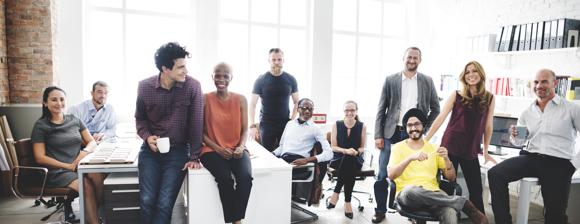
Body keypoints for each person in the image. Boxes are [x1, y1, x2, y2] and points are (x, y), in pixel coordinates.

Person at [488, 69, 580, 224]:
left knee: (555, 215)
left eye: (544, 81)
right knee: (495, 174)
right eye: (536, 82)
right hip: (531, 157)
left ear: (554, 83)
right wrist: (515, 137)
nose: (539, 85)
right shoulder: (527, 112)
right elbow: (520, 142)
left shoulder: (571, 109)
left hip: (559, 162)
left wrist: (573, 165)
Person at [135, 42, 204, 224]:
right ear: (165, 68)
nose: (185, 71)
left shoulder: (193, 87)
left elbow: (197, 124)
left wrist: (194, 156)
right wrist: (147, 137)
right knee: (147, 200)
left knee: (165, 203)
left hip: (179, 151)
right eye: (181, 67)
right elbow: (140, 119)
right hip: (150, 151)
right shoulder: (144, 87)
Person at [372, 46, 440, 223]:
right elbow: (381, 109)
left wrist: (424, 129)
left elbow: (436, 108)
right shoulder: (390, 80)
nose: (412, 60)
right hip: (392, 133)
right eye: (409, 57)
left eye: (415, 58)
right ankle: (380, 210)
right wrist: (378, 135)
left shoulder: (427, 81)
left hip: (415, 133)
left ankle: (413, 211)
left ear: (420, 60)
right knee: (383, 174)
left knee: (414, 171)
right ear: (403, 58)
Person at [388, 108, 488, 224]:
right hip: (408, 195)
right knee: (411, 191)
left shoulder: (434, 149)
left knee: (450, 211)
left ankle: (455, 203)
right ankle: (462, 203)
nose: (413, 128)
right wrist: (410, 158)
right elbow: (391, 175)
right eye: (409, 125)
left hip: (434, 193)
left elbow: (451, 178)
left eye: (416, 124)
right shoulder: (397, 148)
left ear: (423, 125)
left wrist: (446, 159)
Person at [424, 61, 496, 214]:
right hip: (451, 146)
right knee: (449, 188)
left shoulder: (489, 98)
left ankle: (480, 219)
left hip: (471, 149)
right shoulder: (456, 95)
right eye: (468, 72)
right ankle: (448, 218)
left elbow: (488, 126)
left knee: (476, 190)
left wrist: (486, 150)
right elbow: (441, 117)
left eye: (474, 71)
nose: (471, 75)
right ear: (464, 76)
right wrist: (426, 140)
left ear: (481, 74)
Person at [31, 86, 104, 224]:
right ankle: (94, 221)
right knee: (86, 185)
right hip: (57, 171)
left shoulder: (74, 119)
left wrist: (85, 152)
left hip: (78, 165)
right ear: (45, 103)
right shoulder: (41, 126)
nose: (59, 103)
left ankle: (95, 214)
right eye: (54, 100)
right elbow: (39, 157)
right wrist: (68, 166)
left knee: (98, 176)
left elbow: (91, 142)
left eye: (62, 99)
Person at [200, 63, 253, 224]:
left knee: (245, 179)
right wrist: (218, 149)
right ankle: (237, 222)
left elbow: (245, 129)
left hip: (237, 148)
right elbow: (200, 132)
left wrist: (241, 146)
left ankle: (235, 219)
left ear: (231, 77)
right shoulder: (205, 98)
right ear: (212, 77)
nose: (221, 79)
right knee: (225, 179)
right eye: (217, 75)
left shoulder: (241, 99)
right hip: (211, 150)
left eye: (225, 75)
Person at [249, 48, 299, 151]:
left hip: (285, 124)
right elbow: (252, 104)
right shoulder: (260, 80)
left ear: (283, 60)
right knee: (267, 154)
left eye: (279, 59)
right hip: (267, 125)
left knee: (285, 154)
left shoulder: (291, 79)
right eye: (274, 60)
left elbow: (297, 102)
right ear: (269, 61)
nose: (276, 62)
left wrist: (292, 120)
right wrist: (252, 125)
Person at [326, 100, 367, 219]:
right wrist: (346, 151)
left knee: (350, 158)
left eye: (352, 110)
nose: (349, 113)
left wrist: (357, 151)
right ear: (343, 111)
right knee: (348, 158)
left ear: (356, 111)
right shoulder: (336, 125)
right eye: (347, 110)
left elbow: (362, 147)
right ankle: (347, 202)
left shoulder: (362, 126)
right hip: (338, 158)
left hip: (355, 158)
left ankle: (336, 193)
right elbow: (333, 147)